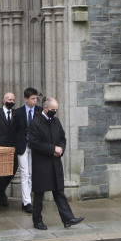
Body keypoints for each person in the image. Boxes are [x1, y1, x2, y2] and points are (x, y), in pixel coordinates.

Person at [28, 97, 83, 230]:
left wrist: (61, 149)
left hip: (55, 162)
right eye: (53, 110)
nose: (55, 112)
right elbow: (34, 143)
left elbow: (62, 138)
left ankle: (68, 218)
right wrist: (52, 149)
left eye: (56, 110)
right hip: (41, 164)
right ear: (45, 108)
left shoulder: (56, 121)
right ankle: (37, 221)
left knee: (59, 191)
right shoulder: (35, 123)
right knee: (39, 193)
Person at [12, 87, 40, 213]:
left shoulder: (39, 111)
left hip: (35, 146)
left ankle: (28, 199)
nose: (35, 101)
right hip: (22, 146)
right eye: (32, 99)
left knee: (32, 174)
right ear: (26, 99)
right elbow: (14, 130)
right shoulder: (18, 112)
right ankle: (27, 202)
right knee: (24, 173)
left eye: (36, 99)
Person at [0, 91, 19, 206]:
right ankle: (1, 195)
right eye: (9, 100)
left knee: (12, 169)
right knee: (0, 173)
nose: (11, 102)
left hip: (12, 148)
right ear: (3, 100)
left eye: (13, 100)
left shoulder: (16, 114)